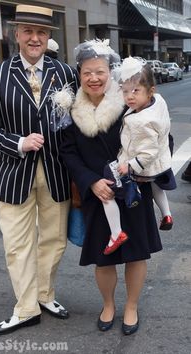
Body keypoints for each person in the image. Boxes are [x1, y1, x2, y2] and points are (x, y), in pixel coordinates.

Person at [0, 4, 79, 336]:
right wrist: (18, 143)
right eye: (28, 31)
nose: (35, 38)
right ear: (16, 34)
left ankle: (45, 295)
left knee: (53, 239)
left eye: (42, 33)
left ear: (49, 37)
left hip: (56, 171)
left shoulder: (64, 73)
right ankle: (25, 307)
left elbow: (75, 123)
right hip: (14, 172)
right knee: (17, 243)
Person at [60, 39, 163, 335]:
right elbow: (67, 151)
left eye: (100, 72)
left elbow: (156, 133)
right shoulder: (69, 107)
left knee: (136, 252)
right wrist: (91, 181)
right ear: (79, 74)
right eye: (87, 72)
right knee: (102, 257)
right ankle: (108, 305)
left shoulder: (129, 100)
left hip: (132, 187)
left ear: (110, 73)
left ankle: (131, 306)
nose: (94, 78)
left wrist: (140, 167)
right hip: (98, 191)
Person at [103, 56, 176, 255]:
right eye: (125, 91)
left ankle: (116, 232)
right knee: (155, 185)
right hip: (159, 164)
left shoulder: (141, 120)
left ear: (151, 91)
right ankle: (167, 214)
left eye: (135, 91)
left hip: (141, 165)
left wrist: (131, 165)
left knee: (107, 188)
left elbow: (148, 151)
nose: (129, 97)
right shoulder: (157, 101)